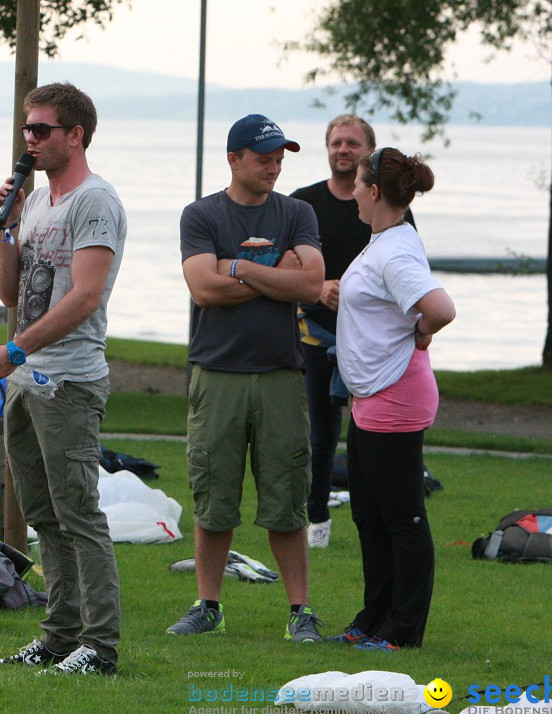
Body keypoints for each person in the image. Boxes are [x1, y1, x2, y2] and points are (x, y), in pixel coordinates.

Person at [0, 82, 125, 675]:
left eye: (41, 130)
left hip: (69, 381)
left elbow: (86, 296)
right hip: (27, 379)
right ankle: (59, 636)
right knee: (44, 515)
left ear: (76, 134)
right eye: (26, 130)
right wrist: (7, 227)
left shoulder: (96, 201)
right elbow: (11, 293)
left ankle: (100, 646)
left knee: (79, 513)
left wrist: (14, 348)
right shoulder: (36, 202)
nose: (29, 140)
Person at [167, 114, 326, 643]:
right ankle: (208, 605)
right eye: (264, 158)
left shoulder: (298, 211)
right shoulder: (201, 214)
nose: (274, 167)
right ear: (234, 159)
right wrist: (274, 272)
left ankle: (300, 611)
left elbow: (313, 283)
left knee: (287, 498)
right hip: (218, 373)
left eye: (280, 158)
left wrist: (238, 268)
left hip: (282, 373)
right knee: (214, 496)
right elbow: (204, 290)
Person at [331, 147, 455, 651]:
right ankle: (375, 616)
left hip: (395, 395)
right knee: (368, 514)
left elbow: (441, 307)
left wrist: (423, 330)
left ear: (375, 191)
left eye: (359, 184)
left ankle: (403, 631)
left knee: (402, 518)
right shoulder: (383, 241)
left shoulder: (396, 248)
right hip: (370, 396)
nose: (353, 192)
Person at [290, 115, 413, 549]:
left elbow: (407, 269)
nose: (343, 149)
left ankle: (377, 518)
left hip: (373, 342)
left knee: (371, 436)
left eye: (353, 143)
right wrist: (318, 287)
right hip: (317, 336)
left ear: (369, 156)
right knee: (320, 436)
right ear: (326, 149)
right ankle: (317, 521)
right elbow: (282, 265)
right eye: (336, 142)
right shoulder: (302, 204)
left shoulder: (391, 210)